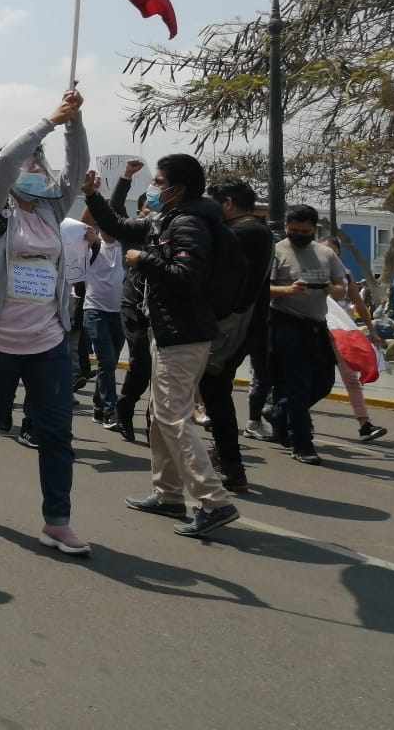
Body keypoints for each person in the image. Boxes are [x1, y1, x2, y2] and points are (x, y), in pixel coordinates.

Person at [0, 91, 91, 556]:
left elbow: (77, 166)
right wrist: (46, 122)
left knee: (56, 431)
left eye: (38, 162)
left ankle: (57, 520)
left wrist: (73, 122)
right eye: (27, 163)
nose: (32, 168)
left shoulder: (54, 208)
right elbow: (6, 161)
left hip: (47, 340)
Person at [85, 154, 240, 538]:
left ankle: (213, 500)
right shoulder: (166, 219)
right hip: (169, 331)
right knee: (160, 417)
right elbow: (120, 226)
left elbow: (187, 277)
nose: (152, 190)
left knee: (172, 417)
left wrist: (145, 259)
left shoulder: (189, 222)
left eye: (158, 183)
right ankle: (168, 493)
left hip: (183, 333)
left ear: (178, 188)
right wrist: (92, 195)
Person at [196, 178, 274, 492]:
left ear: (227, 202)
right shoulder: (255, 231)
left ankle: (230, 463)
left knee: (215, 391)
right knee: (215, 390)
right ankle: (226, 458)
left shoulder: (246, 232)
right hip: (242, 324)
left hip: (234, 325)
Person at [266, 206, 350, 465]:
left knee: (323, 381)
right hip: (285, 322)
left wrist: (330, 288)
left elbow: (341, 289)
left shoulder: (325, 253)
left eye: (305, 231)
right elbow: (262, 289)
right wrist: (288, 290)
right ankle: (302, 444)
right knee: (298, 384)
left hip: (316, 324)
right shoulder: (277, 251)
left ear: (315, 229)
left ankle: (279, 411)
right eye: (294, 231)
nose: (299, 235)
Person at [322, 237, 389, 442]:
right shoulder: (310, 271)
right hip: (316, 331)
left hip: (341, 334)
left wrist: (371, 330)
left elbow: (359, 304)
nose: (327, 255)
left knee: (351, 379)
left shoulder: (346, 275)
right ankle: (284, 412)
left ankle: (364, 424)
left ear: (338, 254)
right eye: (324, 251)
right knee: (314, 380)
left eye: (332, 252)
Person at [108, 160, 153, 441]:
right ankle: (124, 408)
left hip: (163, 309)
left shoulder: (176, 229)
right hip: (134, 307)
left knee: (162, 371)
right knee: (141, 364)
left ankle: (154, 424)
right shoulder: (134, 229)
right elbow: (113, 210)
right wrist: (126, 177)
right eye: (150, 207)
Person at [81, 218, 125, 428]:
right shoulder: (90, 247)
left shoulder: (125, 247)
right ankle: (109, 409)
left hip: (119, 314)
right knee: (106, 361)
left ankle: (98, 408)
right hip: (95, 311)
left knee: (110, 362)